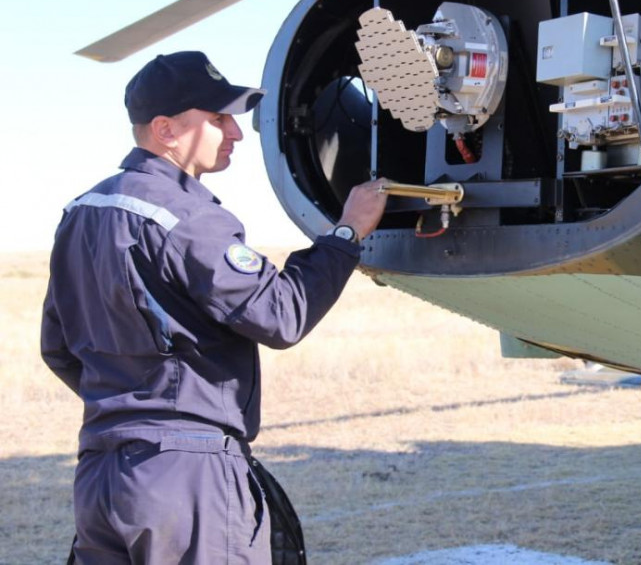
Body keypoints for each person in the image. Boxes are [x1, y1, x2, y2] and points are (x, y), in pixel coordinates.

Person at [41, 51, 388, 564]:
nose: (236, 132)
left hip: (100, 475)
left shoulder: (82, 213)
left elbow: (59, 349)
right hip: (185, 480)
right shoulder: (187, 216)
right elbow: (281, 314)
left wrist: (135, 405)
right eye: (219, 118)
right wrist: (346, 233)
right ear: (166, 130)